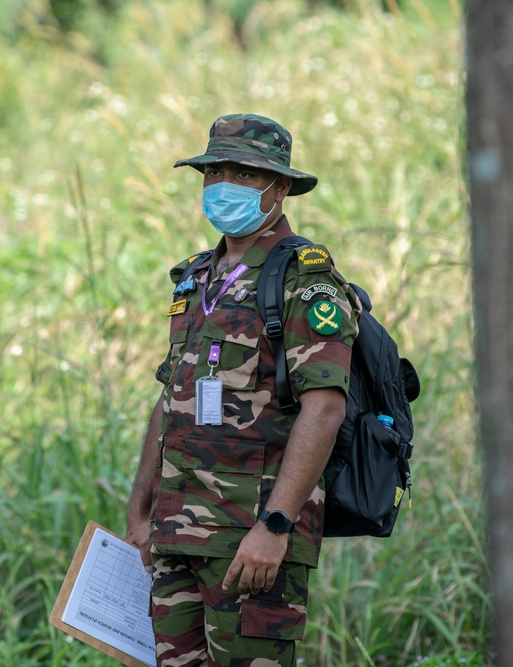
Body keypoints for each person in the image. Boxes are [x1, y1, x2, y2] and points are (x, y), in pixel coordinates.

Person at [125, 113, 362, 666]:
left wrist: (275, 526)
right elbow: (170, 396)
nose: (224, 184)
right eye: (215, 172)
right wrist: (142, 508)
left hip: (250, 539)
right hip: (177, 531)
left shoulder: (304, 278)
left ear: (280, 187)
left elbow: (324, 408)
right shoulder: (195, 277)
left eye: (246, 174)